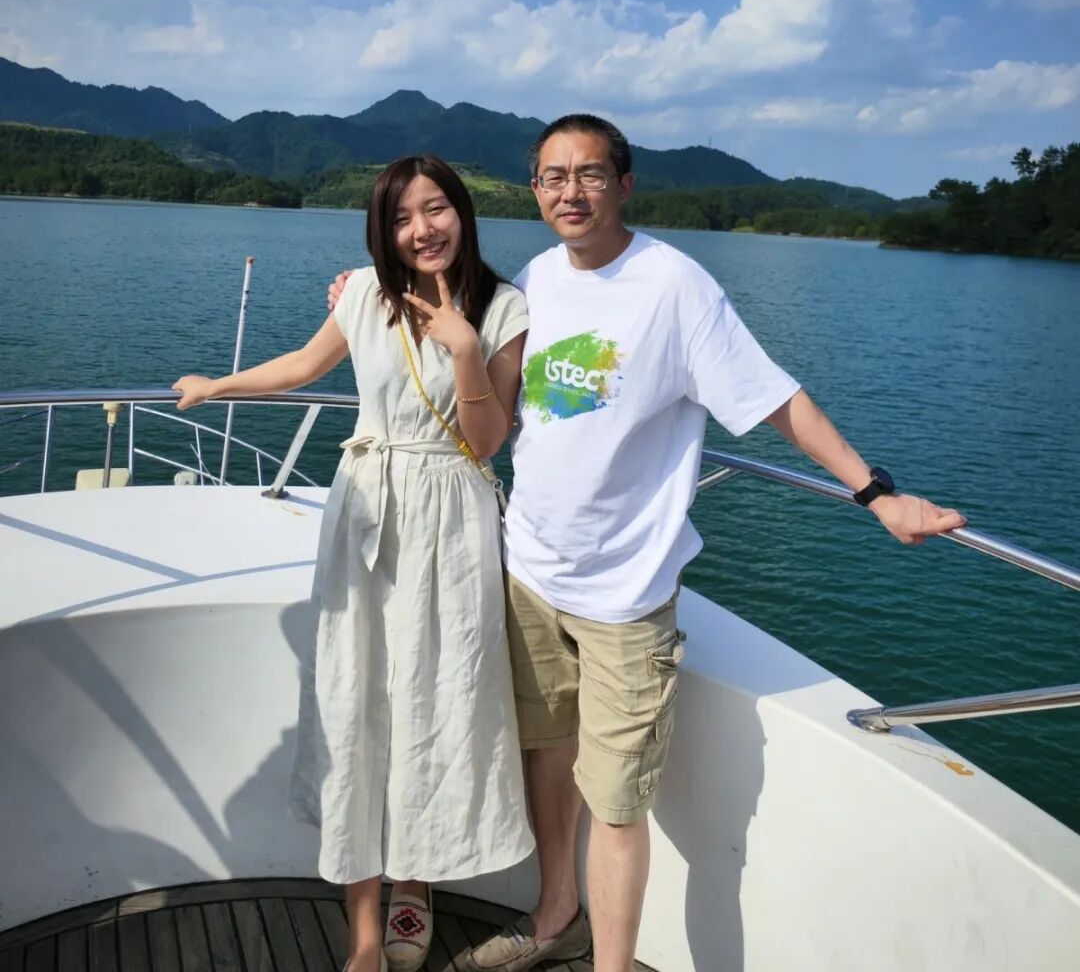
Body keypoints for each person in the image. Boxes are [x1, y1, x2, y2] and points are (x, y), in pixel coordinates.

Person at [327, 116, 967, 972]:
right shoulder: (535, 281)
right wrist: (362, 285)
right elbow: (477, 384)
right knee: (548, 761)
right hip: (528, 573)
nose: (571, 192)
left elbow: (776, 398)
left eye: (590, 175)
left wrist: (876, 492)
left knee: (618, 801)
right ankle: (556, 916)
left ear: (624, 184)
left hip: (625, 597)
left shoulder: (675, 287)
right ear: (534, 190)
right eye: (553, 177)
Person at [174, 154, 535, 972]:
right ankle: (365, 927)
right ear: (383, 230)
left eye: (436, 209)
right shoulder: (368, 293)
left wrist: (465, 349)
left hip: (451, 520)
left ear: (463, 211)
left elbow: (486, 442)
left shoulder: (505, 307)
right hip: (367, 508)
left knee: (435, 699)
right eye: (403, 217)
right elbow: (304, 367)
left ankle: (416, 877)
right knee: (355, 695)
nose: (422, 229)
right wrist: (218, 385)